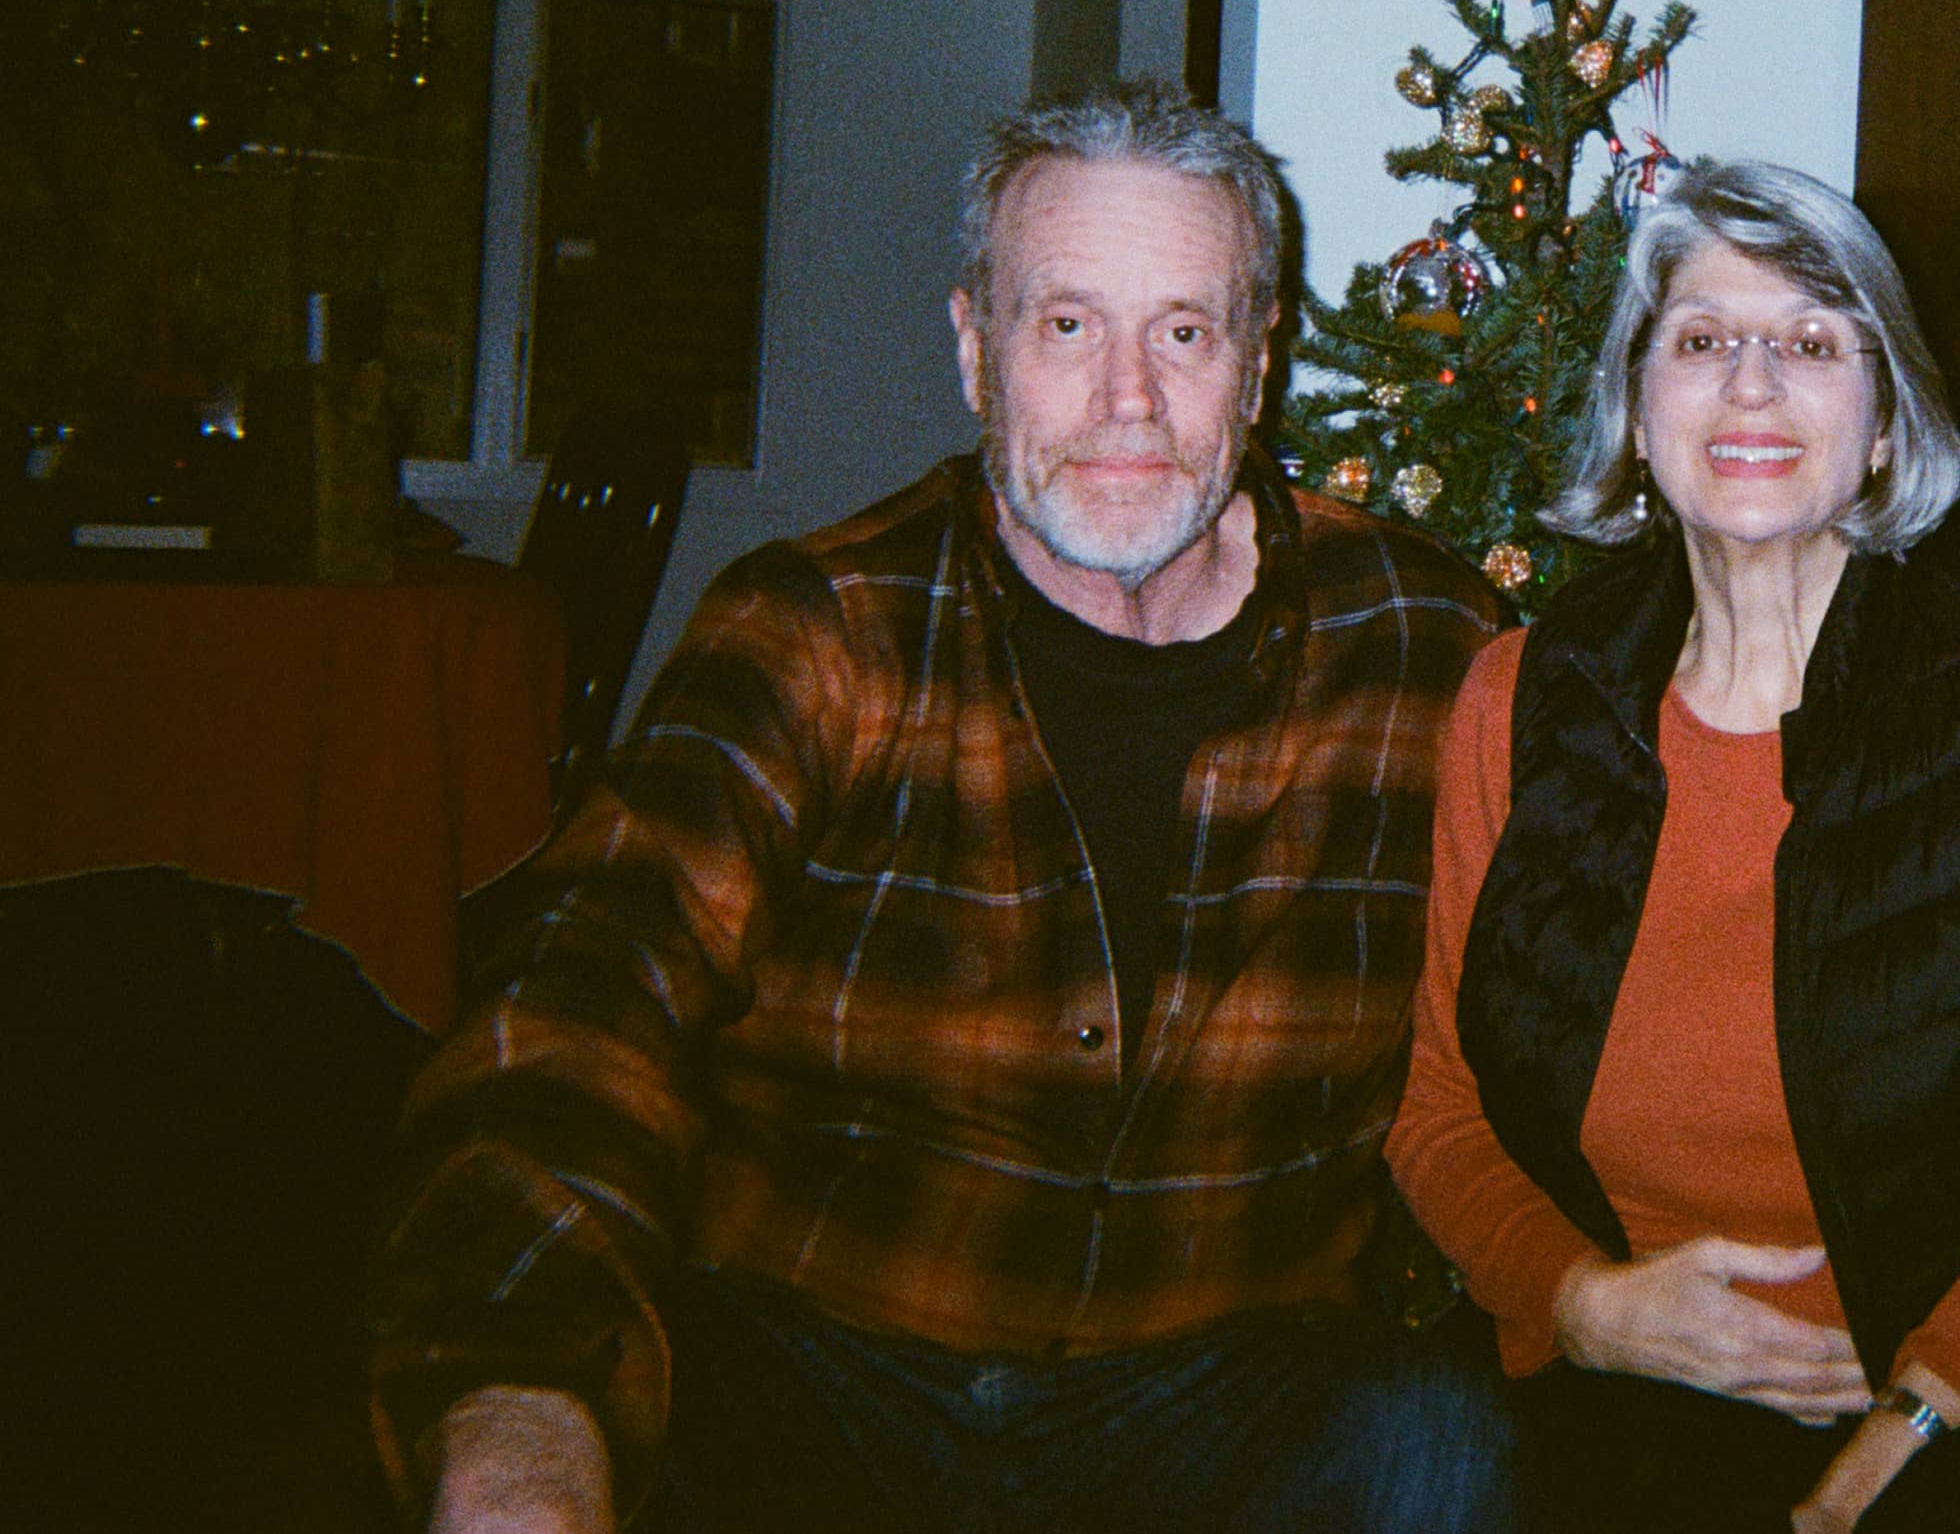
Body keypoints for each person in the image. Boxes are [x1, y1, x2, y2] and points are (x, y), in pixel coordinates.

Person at [368, 82, 1515, 1534]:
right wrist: (515, 1425)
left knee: (1430, 1429)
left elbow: (1557, 1008)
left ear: (1260, 359)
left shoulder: (1425, 639)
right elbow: (580, 1013)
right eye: (1066, 325)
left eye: (1184, 331)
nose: (1128, 403)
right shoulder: (814, 632)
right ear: (976, 349)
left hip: (1224, 1388)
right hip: (818, 1370)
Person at [1388, 159, 1960, 1533]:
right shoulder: (1518, 700)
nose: (1752, 384)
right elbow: (1436, 1116)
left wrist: (1909, 1420)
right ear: (1639, 411)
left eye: (1813, 343)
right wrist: (1583, 1307)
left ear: (1883, 426)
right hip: (1606, 1402)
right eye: (1702, 341)